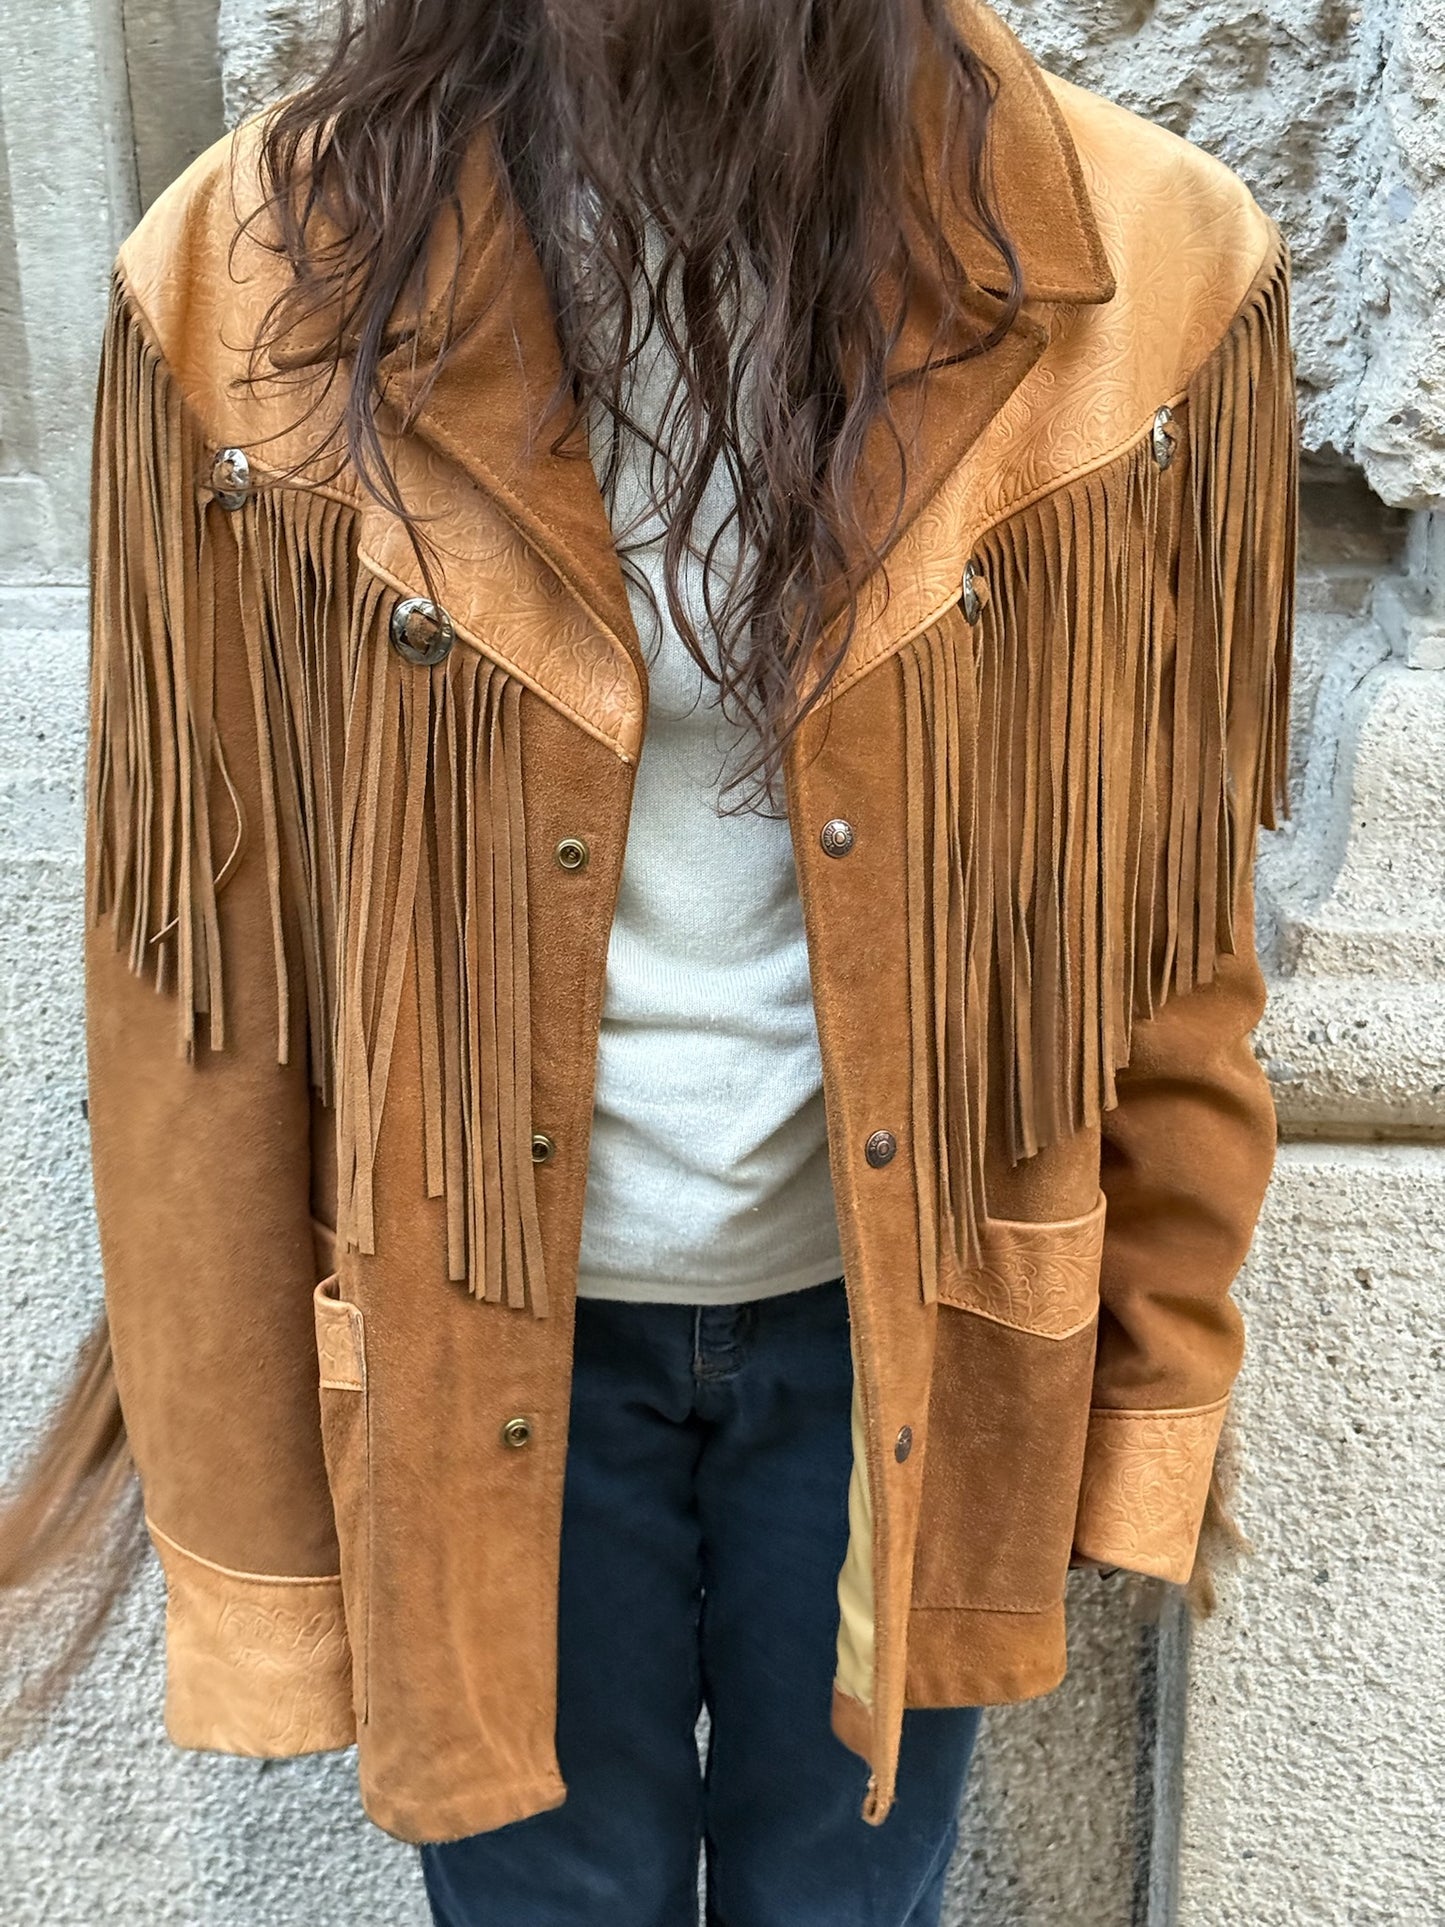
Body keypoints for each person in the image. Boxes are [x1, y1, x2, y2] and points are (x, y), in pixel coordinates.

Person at [1, 0, 1297, 1920]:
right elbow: (196, 984)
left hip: (902, 1343)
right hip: (475, 1346)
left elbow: (1166, 929)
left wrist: (1151, 1392)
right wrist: (250, 1536)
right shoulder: (255, 270)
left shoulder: (1134, 263)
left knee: (847, 1901)